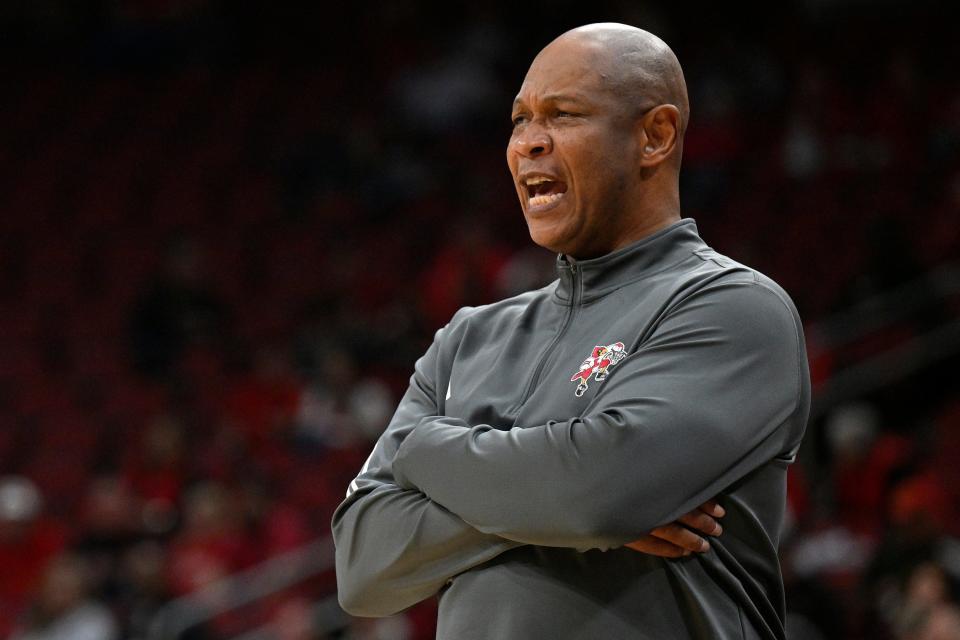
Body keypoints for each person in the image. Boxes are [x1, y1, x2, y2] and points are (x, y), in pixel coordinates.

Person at [332, 22, 810, 639]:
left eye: (562, 115)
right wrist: (558, 502)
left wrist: (424, 450)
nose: (528, 142)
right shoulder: (469, 337)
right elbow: (362, 565)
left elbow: (599, 494)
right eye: (519, 120)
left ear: (654, 136)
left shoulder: (731, 307)